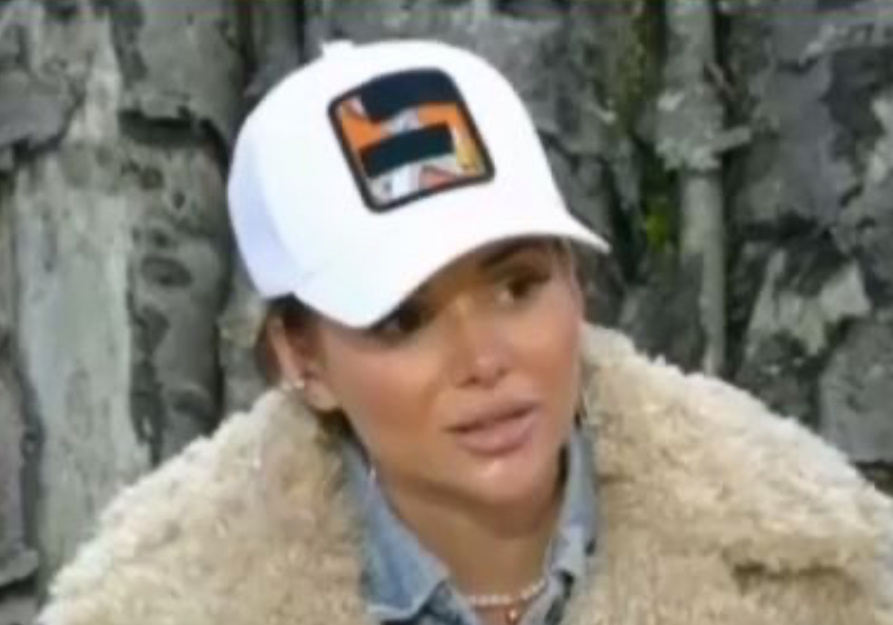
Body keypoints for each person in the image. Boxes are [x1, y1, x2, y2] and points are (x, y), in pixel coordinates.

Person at [38, 40, 893, 625]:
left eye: (517, 285)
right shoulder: (161, 604)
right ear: (301, 358)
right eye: (401, 318)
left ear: (574, 281)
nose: (485, 360)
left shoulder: (824, 571)